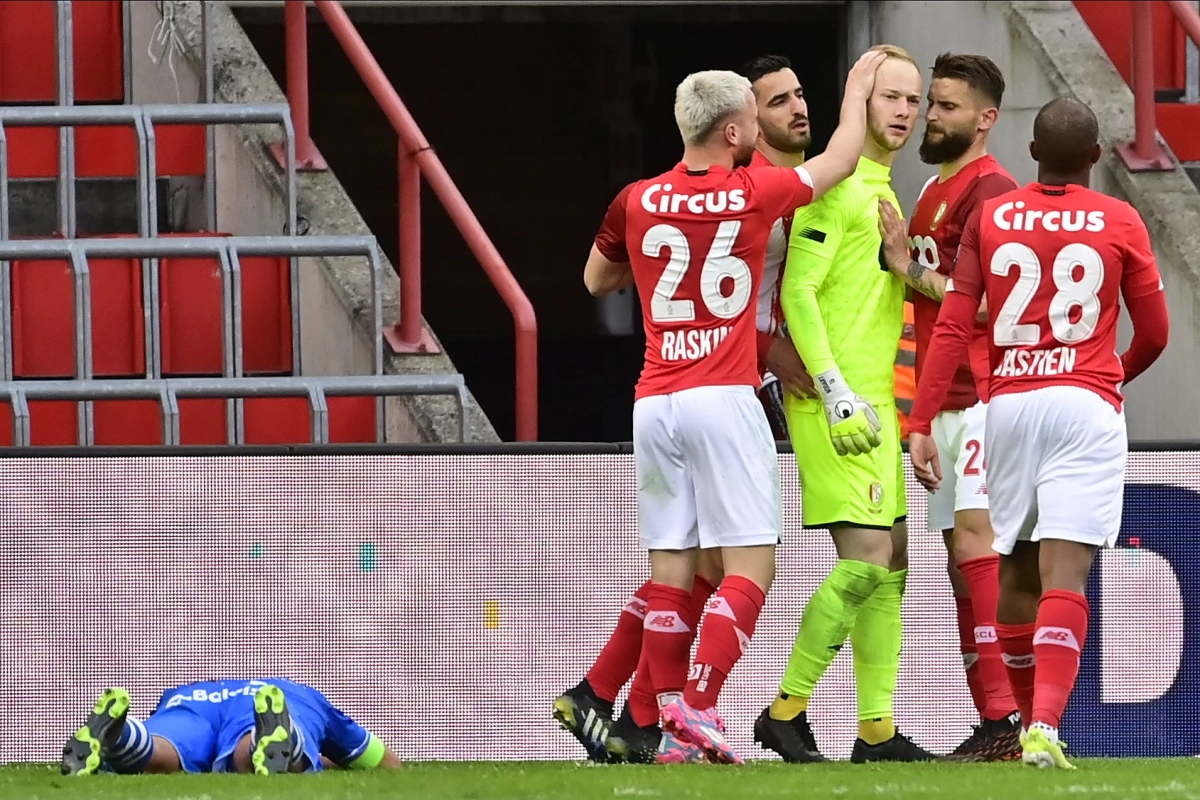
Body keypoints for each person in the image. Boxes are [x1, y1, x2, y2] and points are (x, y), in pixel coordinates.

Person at [581, 51, 885, 765]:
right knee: (752, 566)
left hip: (654, 401)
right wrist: (858, 87)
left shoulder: (637, 197)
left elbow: (598, 280)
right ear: (730, 131)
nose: (758, 126)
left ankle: (662, 734)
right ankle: (700, 704)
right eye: (751, 116)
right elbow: (840, 160)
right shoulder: (756, 192)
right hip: (724, 394)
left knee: (671, 572)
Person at [907, 96, 1169, 769]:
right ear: (1095, 156)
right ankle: (1045, 728)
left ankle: (1027, 722)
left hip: (1010, 405)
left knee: (1017, 565)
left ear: (1031, 156)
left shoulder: (995, 215)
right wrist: (1111, 378)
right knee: (1067, 570)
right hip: (1084, 404)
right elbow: (1156, 333)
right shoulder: (1119, 218)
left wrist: (920, 419)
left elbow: (955, 321)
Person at [755, 43, 936, 764]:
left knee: (891, 562)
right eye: (889, 96)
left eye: (912, 100)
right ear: (860, 104)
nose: (903, 110)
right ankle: (785, 710)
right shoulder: (835, 188)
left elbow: (888, 289)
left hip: (876, 404)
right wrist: (833, 394)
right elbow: (797, 290)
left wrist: (913, 270)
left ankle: (876, 731)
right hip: (838, 404)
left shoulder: (884, 192)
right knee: (864, 559)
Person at [876, 52, 1023, 760]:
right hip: (946, 401)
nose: (931, 116)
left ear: (986, 119)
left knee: (977, 550)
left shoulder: (991, 189)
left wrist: (909, 268)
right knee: (962, 566)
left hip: (986, 394)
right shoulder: (937, 186)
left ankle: (1010, 720)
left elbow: (993, 300)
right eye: (931, 103)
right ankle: (995, 720)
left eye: (948, 107)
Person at [60, 680, 402, 776]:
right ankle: (274, 740)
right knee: (246, 754)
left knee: (166, 749)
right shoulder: (312, 699)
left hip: (192, 699)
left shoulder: (188, 691)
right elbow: (385, 762)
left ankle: (120, 738)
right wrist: (326, 758)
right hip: (288, 699)